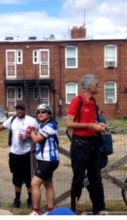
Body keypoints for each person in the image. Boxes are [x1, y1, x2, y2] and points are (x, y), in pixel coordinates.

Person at [66, 74, 107, 215]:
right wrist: (90, 125)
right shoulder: (77, 101)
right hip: (80, 144)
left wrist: (98, 124)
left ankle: (99, 209)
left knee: (96, 177)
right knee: (78, 179)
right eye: (96, 84)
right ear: (89, 86)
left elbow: (93, 121)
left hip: (93, 143)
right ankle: (73, 210)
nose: (98, 87)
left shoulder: (94, 102)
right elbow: (69, 123)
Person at [0, 102, 38, 208]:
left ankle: (30, 199)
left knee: (29, 178)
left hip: (28, 154)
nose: (19, 111)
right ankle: (17, 200)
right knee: (16, 178)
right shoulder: (12, 120)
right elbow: (0, 127)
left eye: (21, 109)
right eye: (17, 109)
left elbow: (38, 133)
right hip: (15, 155)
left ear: (25, 110)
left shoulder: (31, 121)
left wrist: (28, 137)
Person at [29, 104, 59, 215]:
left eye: (43, 112)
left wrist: (31, 131)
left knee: (34, 184)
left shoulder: (51, 125)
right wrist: (32, 131)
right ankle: (51, 211)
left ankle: (36, 212)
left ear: (49, 114)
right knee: (48, 184)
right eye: (38, 112)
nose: (40, 114)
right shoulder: (42, 125)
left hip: (49, 160)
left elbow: (36, 139)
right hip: (44, 160)